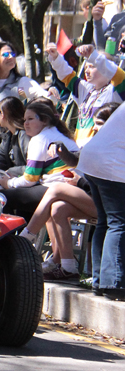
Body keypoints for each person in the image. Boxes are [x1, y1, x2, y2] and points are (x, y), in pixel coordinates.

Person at [19, 102, 118, 281]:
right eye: (95, 123)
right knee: (57, 208)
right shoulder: (95, 143)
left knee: (55, 189)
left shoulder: (116, 147)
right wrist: (60, 149)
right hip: (95, 200)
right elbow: (75, 161)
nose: (95, 128)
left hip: (112, 205)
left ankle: (26, 237)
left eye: (100, 124)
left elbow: (103, 184)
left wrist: (79, 181)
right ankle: (68, 267)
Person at [0, 100, 78, 221]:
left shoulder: (40, 139)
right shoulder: (58, 133)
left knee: (1, 197)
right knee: (21, 195)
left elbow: (30, 179)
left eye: (30, 119)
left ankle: (14, 239)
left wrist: (8, 183)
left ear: (44, 120)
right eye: (25, 120)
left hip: (60, 189)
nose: (26, 124)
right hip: (68, 188)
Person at [79, 102, 125, 300]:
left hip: (93, 160)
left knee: (105, 222)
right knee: (118, 223)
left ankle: (99, 281)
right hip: (110, 165)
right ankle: (113, 282)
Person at [46, 42, 124, 146]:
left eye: (92, 66)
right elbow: (67, 75)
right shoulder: (86, 89)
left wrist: (94, 56)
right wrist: (55, 57)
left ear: (106, 67)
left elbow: (118, 75)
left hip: (104, 150)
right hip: (81, 151)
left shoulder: (115, 91)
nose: (87, 71)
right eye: (86, 67)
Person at [0, 41, 48, 108]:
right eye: (5, 54)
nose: (11, 57)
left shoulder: (22, 82)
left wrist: (51, 91)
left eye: (13, 54)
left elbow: (47, 97)